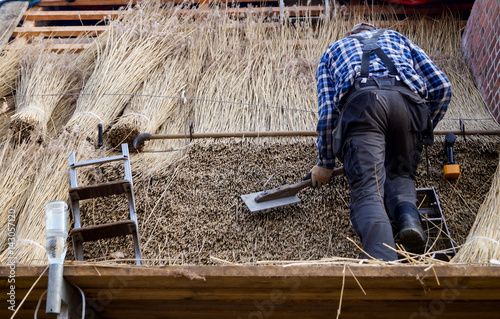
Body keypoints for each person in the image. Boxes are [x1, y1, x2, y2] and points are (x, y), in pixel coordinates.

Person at [310, 22, 452, 261]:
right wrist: (422, 130)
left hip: (364, 107)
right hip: (409, 107)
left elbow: (328, 116)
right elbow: (443, 87)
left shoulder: (333, 50)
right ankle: (409, 221)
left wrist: (325, 162)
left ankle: (384, 265)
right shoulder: (397, 38)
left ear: (350, 35)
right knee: (400, 176)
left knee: (368, 193)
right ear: (374, 30)